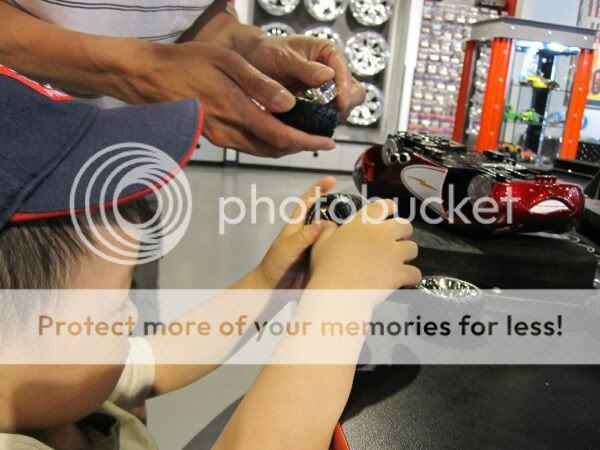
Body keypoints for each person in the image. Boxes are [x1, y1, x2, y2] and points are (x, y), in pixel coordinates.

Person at [0, 68, 420, 448]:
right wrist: (340, 300)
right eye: (113, 305)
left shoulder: (52, 376)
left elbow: (161, 360)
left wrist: (269, 282)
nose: (130, 317)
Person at [0, 0, 365, 156]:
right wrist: (137, 71)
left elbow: (190, 14)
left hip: (129, 164)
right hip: (18, 154)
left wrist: (245, 46)